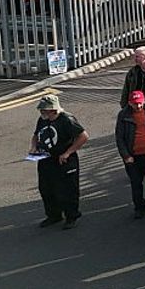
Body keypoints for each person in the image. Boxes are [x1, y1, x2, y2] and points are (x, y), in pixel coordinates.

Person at [32, 95, 88, 229]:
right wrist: (34, 147)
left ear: (53, 110)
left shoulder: (67, 120)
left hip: (64, 160)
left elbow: (83, 136)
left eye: (44, 110)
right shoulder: (42, 120)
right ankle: (53, 215)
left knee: (68, 190)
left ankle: (71, 216)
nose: (42, 113)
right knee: (46, 188)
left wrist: (68, 152)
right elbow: (35, 135)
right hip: (46, 159)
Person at [115, 90, 145, 218]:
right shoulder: (123, 115)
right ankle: (139, 207)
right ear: (130, 103)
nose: (138, 106)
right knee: (136, 184)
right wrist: (126, 156)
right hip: (134, 156)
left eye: (140, 103)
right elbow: (119, 138)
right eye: (135, 104)